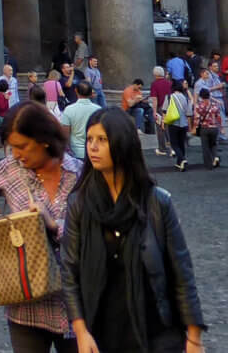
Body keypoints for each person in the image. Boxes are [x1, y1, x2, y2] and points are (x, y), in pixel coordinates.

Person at [61, 108, 207, 353]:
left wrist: (194, 338)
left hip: (155, 332)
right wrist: (80, 331)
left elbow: (181, 272)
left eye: (102, 140)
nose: (92, 147)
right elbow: (69, 272)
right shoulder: (79, 204)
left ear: (122, 144)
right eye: (89, 139)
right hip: (102, 333)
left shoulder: (157, 202)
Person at [0, 102, 82, 353]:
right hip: (26, 302)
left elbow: (92, 234)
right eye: (11, 147)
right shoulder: (11, 169)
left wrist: (53, 224)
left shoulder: (78, 174)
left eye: (22, 146)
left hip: (76, 303)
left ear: (44, 140)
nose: (16, 154)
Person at [59, 82, 101, 160]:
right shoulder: (98, 110)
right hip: (94, 151)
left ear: (76, 91)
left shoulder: (69, 110)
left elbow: (65, 134)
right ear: (91, 93)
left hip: (75, 152)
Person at [188, 71, 221, 170]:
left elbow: (197, 118)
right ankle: (215, 156)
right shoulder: (214, 105)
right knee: (214, 144)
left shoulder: (199, 106)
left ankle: (208, 164)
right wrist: (221, 127)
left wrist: (194, 127)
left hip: (204, 128)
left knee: (205, 146)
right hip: (214, 127)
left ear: (201, 96)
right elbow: (218, 116)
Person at [163, 79, 192, 171]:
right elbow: (189, 113)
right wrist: (189, 125)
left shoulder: (169, 97)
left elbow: (164, 110)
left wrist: (164, 122)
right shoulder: (185, 97)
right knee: (181, 143)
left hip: (173, 123)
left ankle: (182, 159)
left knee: (174, 143)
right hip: (183, 123)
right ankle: (179, 163)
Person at [148, 67, 173, 157]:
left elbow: (154, 99)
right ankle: (173, 147)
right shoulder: (169, 83)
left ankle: (162, 148)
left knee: (160, 128)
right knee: (168, 127)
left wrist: (154, 111)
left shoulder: (154, 84)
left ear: (155, 74)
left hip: (160, 108)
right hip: (169, 107)